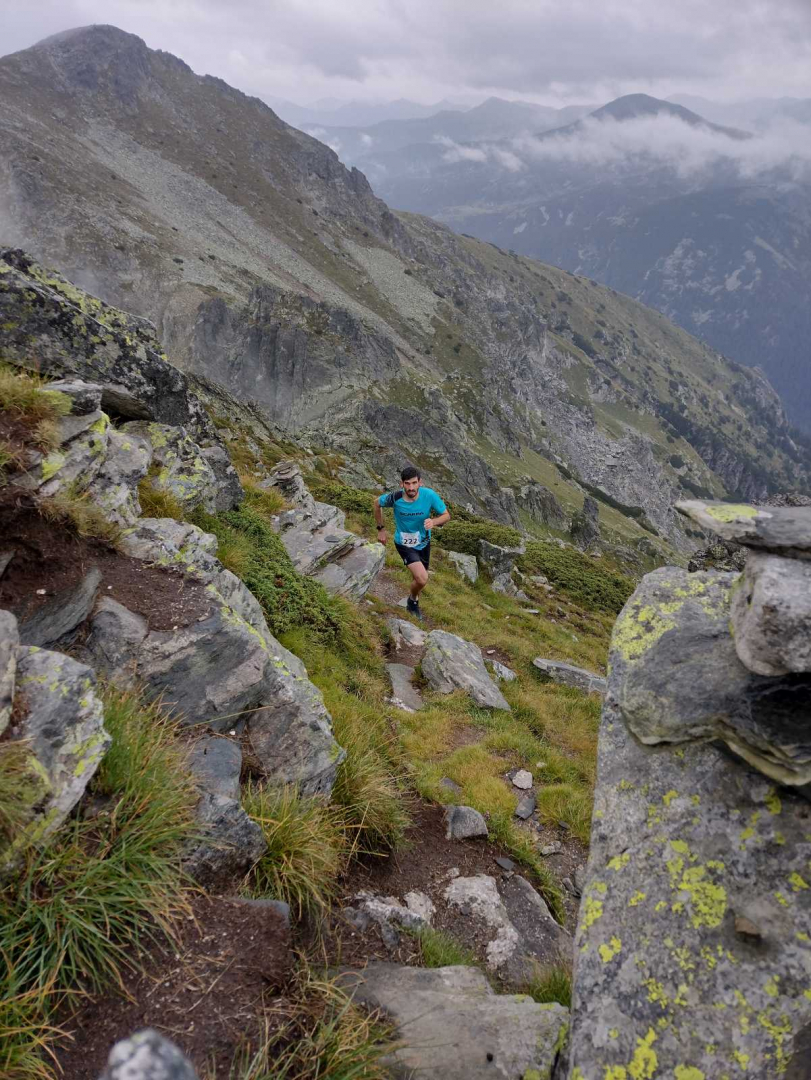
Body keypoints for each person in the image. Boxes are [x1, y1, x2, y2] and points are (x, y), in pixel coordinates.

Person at [374, 466, 450, 620]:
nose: (411, 487)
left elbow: (446, 515)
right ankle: (413, 602)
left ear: (420, 482)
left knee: (420, 580)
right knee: (422, 578)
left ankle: (413, 599)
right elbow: (376, 503)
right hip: (404, 544)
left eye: (414, 483)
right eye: (407, 484)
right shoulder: (395, 498)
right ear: (402, 484)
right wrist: (381, 529)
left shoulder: (429, 495)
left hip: (424, 543)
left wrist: (434, 522)